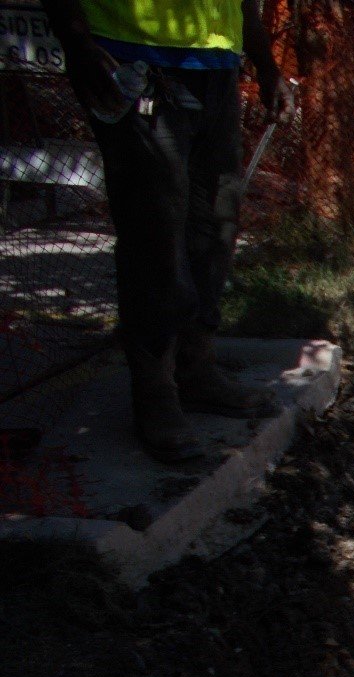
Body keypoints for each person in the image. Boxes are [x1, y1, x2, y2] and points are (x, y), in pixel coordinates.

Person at [40, 1, 296, 461]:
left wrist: (266, 64)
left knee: (217, 220)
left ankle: (195, 366)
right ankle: (155, 389)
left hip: (216, 67)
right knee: (154, 230)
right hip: (135, 62)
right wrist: (77, 43)